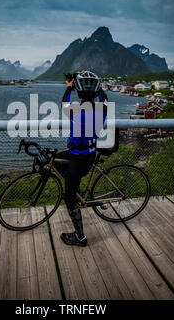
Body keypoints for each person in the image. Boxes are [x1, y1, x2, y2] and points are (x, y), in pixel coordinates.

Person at [54, 70, 108, 247]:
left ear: (79, 92)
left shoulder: (76, 112)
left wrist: (69, 86)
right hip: (89, 155)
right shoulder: (103, 109)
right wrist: (96, 86)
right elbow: (104, 97)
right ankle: (73, 184)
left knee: (69, 199)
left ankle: (80, 237)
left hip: (78, 159)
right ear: (96, 91)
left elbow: (63, 102)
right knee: (54, 160)